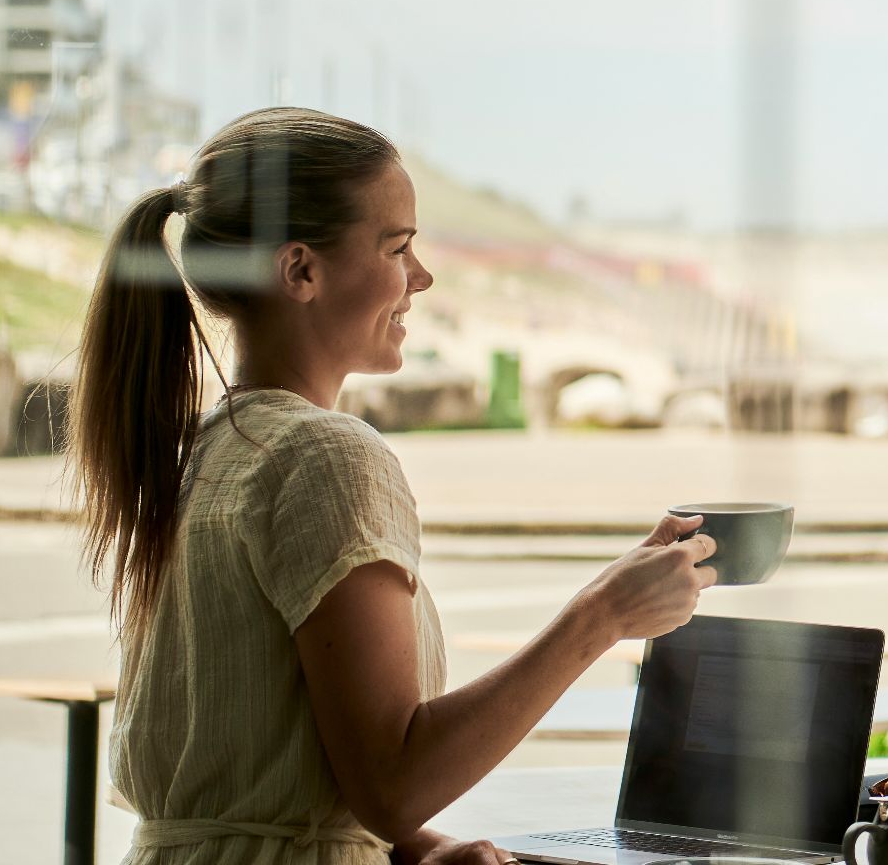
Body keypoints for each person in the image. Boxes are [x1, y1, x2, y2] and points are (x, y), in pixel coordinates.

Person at [71, 107, 717, 865]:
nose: (422, 276)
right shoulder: (325, 456)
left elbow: (264, 764)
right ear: (301, 270)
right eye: (398, 246)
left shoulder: (208, 452)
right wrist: (601, 617)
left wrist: (415, 852)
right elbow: (390, 784)